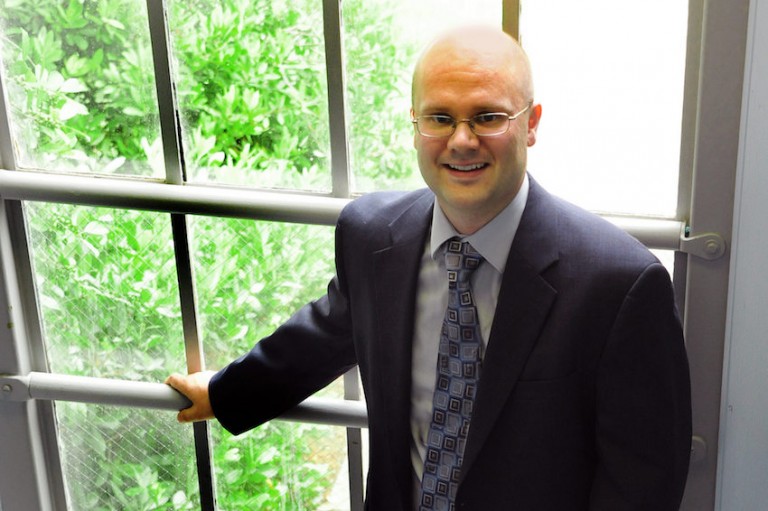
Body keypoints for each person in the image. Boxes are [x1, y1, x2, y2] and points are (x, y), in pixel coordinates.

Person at [166, 26, 692, 510]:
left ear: (530, 124)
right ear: (415, 124)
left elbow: (642, 480)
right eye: (440, 117)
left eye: (487, 116)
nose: (461, 141)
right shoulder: (371, 236)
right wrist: (225, 395)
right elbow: (327, 333)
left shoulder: (619, 284)